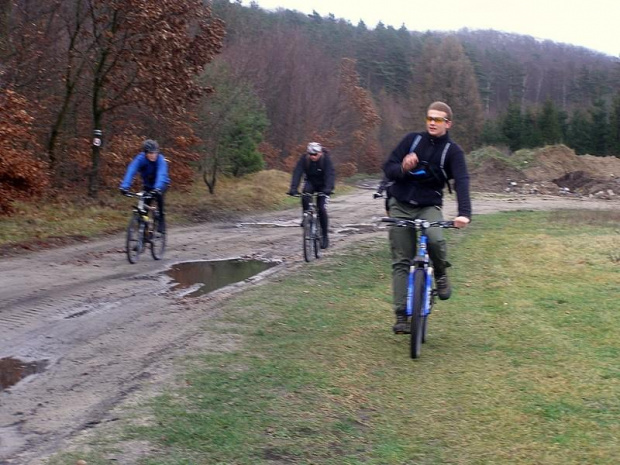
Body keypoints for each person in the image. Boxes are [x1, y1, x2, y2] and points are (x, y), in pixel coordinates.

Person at [382, 101, 471, 334]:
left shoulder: (452, 152)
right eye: (429, 118)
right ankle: (401, 315)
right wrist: (403, 167)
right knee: (401, 259)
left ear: (448, 123)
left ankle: (440, 273)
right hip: (400, 204)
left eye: (438, 119)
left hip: (428, 205)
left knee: (434, 238)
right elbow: (388, 167)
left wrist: (464, 214)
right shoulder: (412, 140)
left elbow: (461, 181)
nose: (432, 122)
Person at [288, 142, 336, 249]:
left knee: (322, 209)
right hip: (311, 183)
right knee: (305, 195)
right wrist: (293, 188)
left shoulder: (326, 159)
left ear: (320, 153)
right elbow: (297, 172)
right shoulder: (305, 159)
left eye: (315, 154)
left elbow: (330, 174)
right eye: (310, 154)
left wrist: (328, 188)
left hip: (323, 185)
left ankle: (324, 235)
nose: (312, 157)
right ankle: (305, 216)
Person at [119, 139, 170, 233]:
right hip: (148, 185)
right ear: (145, 153)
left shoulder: (160, 159)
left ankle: (161, 219)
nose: (153, 155)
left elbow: (161, 174)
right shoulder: (141, 159)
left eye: (155, 153)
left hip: (161, 183)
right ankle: (143, 235)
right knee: (143, 209)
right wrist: (124, 186)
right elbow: (131, 170)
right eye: (150, 153)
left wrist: (157, 188)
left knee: (159, 196)